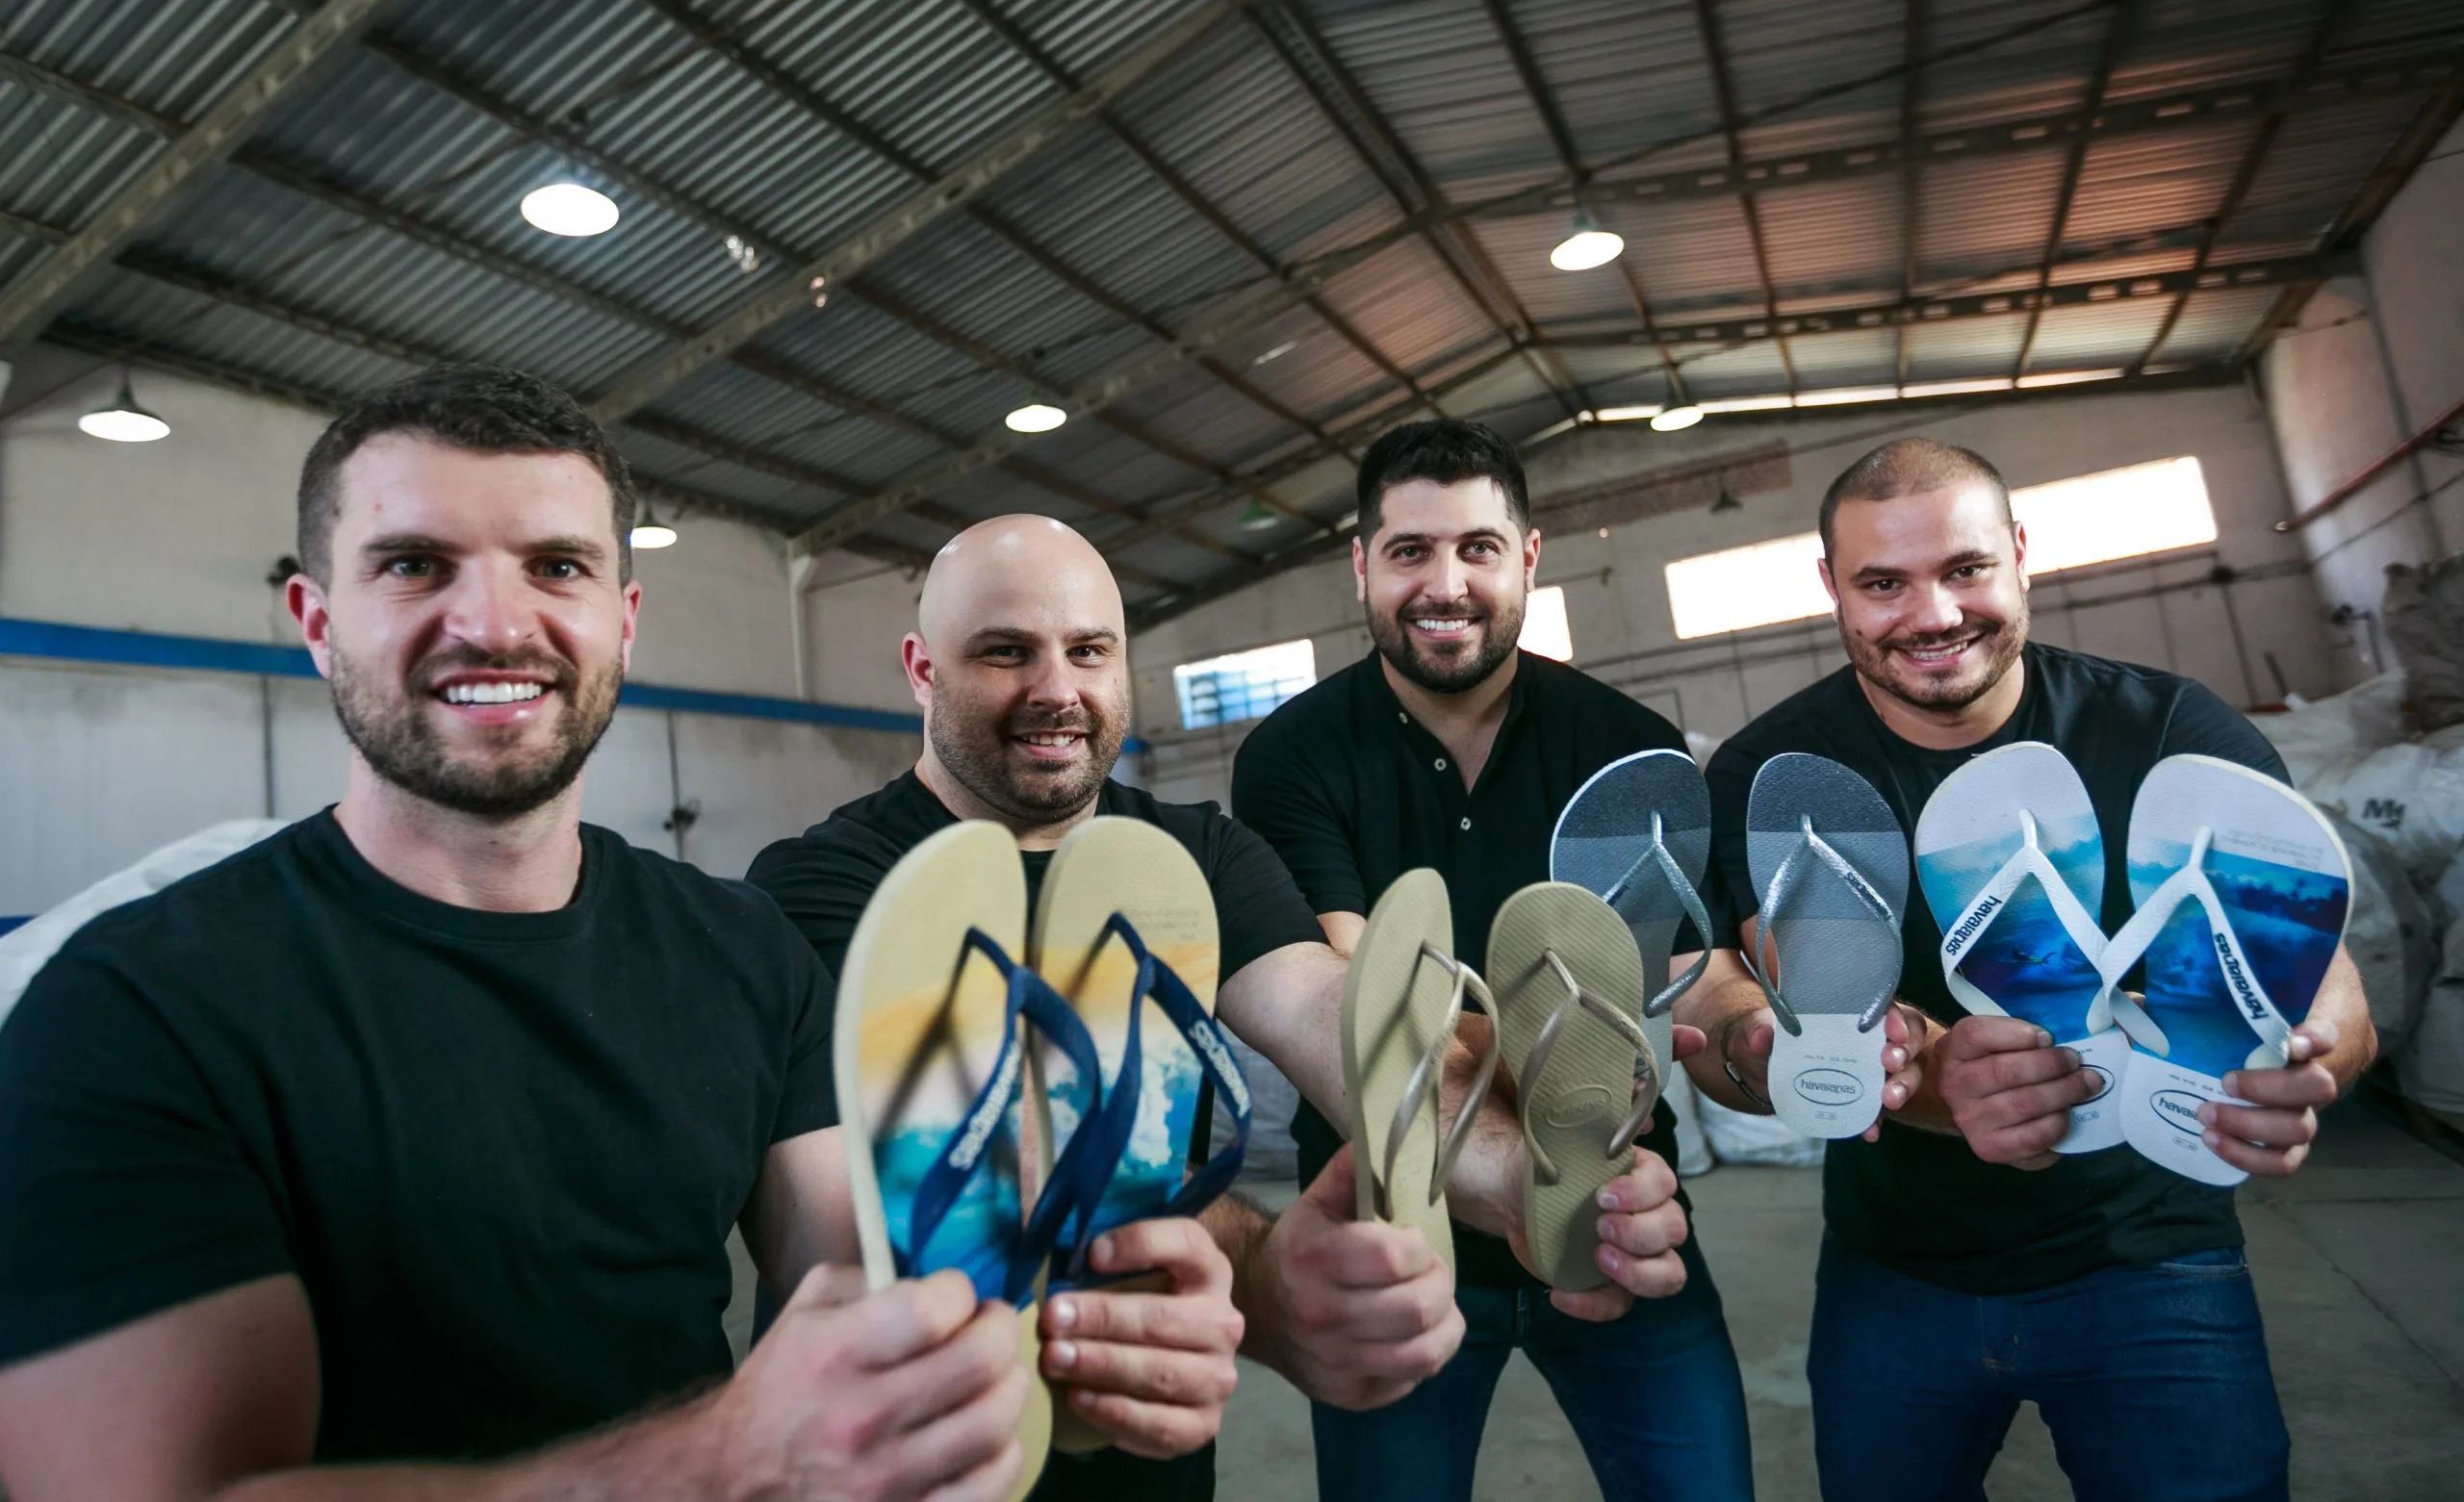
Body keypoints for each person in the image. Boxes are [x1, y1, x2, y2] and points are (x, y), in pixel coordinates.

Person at [0, 367, 1239, 1502]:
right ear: (316, 619)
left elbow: (874, 1316)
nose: (494, 622)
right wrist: (718, 1462)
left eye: (556, 566)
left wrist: (1076, 1370)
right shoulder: (134, 1006)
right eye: (415, 564)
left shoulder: (742, 952)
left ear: (625, 617)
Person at [1679, 437, 2377, 1502]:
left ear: (2018, 555)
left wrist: (2302, 1050)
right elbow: (1765, 981)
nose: (1932, 615)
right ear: (1832, 590)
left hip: (2154, 1261)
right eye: (1882, 583)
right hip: (1896, 1270)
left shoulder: (2170, 733)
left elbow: (2315, 964)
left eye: (1964, 570)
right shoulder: (1778, 775)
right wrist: (1870, 1060)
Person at [748, 514, 1472, 1502]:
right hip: (924, 1458)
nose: (1057, 691)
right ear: (922, 671)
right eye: (1006, 653)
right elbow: (926, 1182)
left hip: (1151, 1446)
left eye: (1088, 650)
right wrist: (1256, 1273)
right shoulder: (824, 884)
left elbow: (1326, 1013)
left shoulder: (1199, 854)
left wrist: (1541, 1164)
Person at [1230, 420, 1756, 1502]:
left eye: (1476, 547)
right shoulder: (1292, 755)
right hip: (1393, 1231)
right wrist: (1543, 1122)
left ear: (1527, 556)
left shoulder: (1623, 743)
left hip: (1608, 1209)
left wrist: (1751, 1041)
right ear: (1362, 567)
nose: (1445, 582)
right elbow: (1362, 998)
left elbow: (1686, 977)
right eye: (1411, 551)